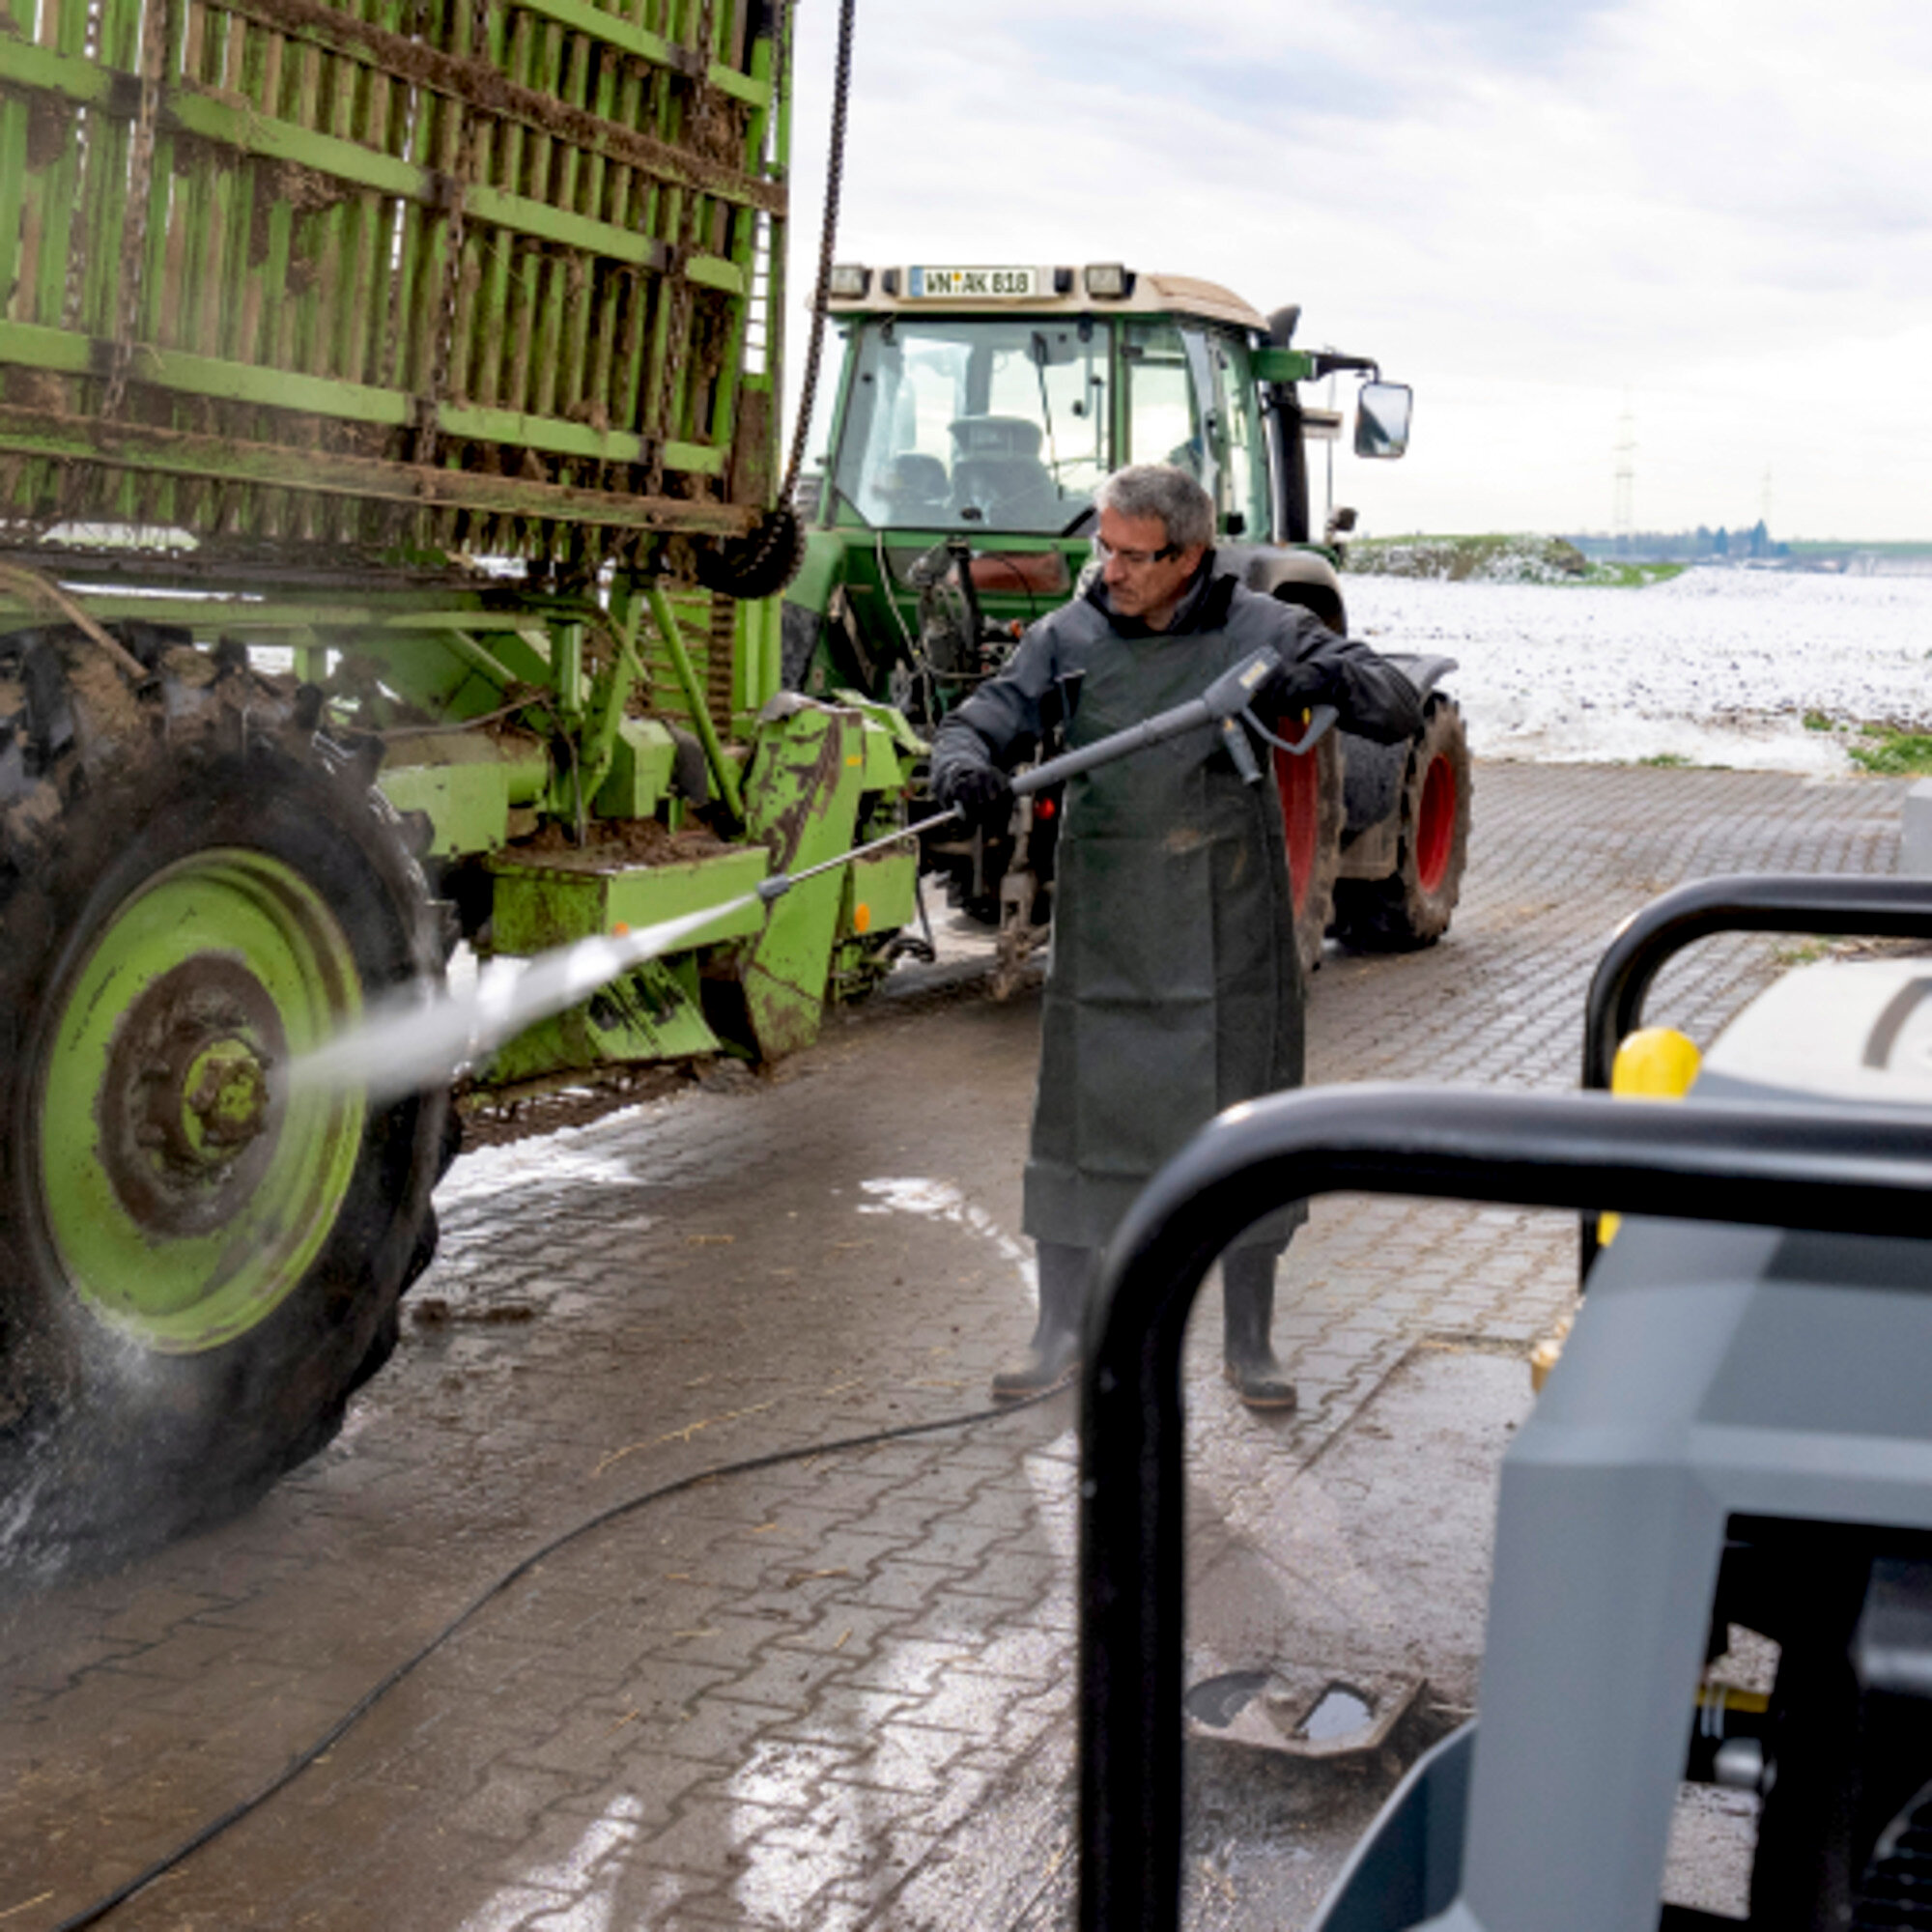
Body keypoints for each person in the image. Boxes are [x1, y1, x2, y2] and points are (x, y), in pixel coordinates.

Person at [929, 464, 1422, 1408]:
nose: (1107, 569)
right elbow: (984, 714)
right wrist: (960, 759)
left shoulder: (1259, 629)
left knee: (1243, 1128)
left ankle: (1248, 1341)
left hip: (1228, 931)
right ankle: (1059, 1327)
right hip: (1107, 927)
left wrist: (1318, 673)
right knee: (1076, 1125)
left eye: (1130, 554)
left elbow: (1393, 703)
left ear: (1189, 554)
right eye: (1100, 548)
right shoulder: (1067, 634)